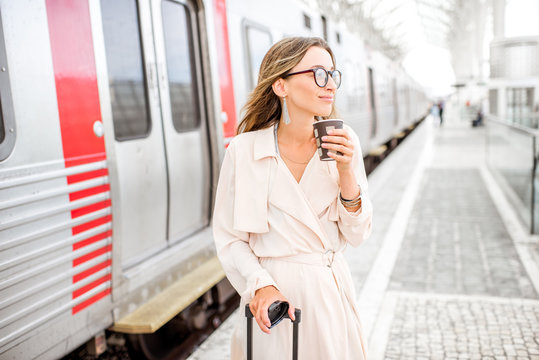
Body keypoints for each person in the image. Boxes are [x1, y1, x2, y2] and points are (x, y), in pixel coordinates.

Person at [212, 37, 373, 359]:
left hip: (327, 295)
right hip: (271, 302)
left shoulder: (343, 141)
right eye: (317, 73)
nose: (330, 85)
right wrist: (260, 284)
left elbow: (357, 234)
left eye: (332, 74)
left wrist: (346, 172)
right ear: (281, 86)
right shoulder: (244, 151)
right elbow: (230, 239)